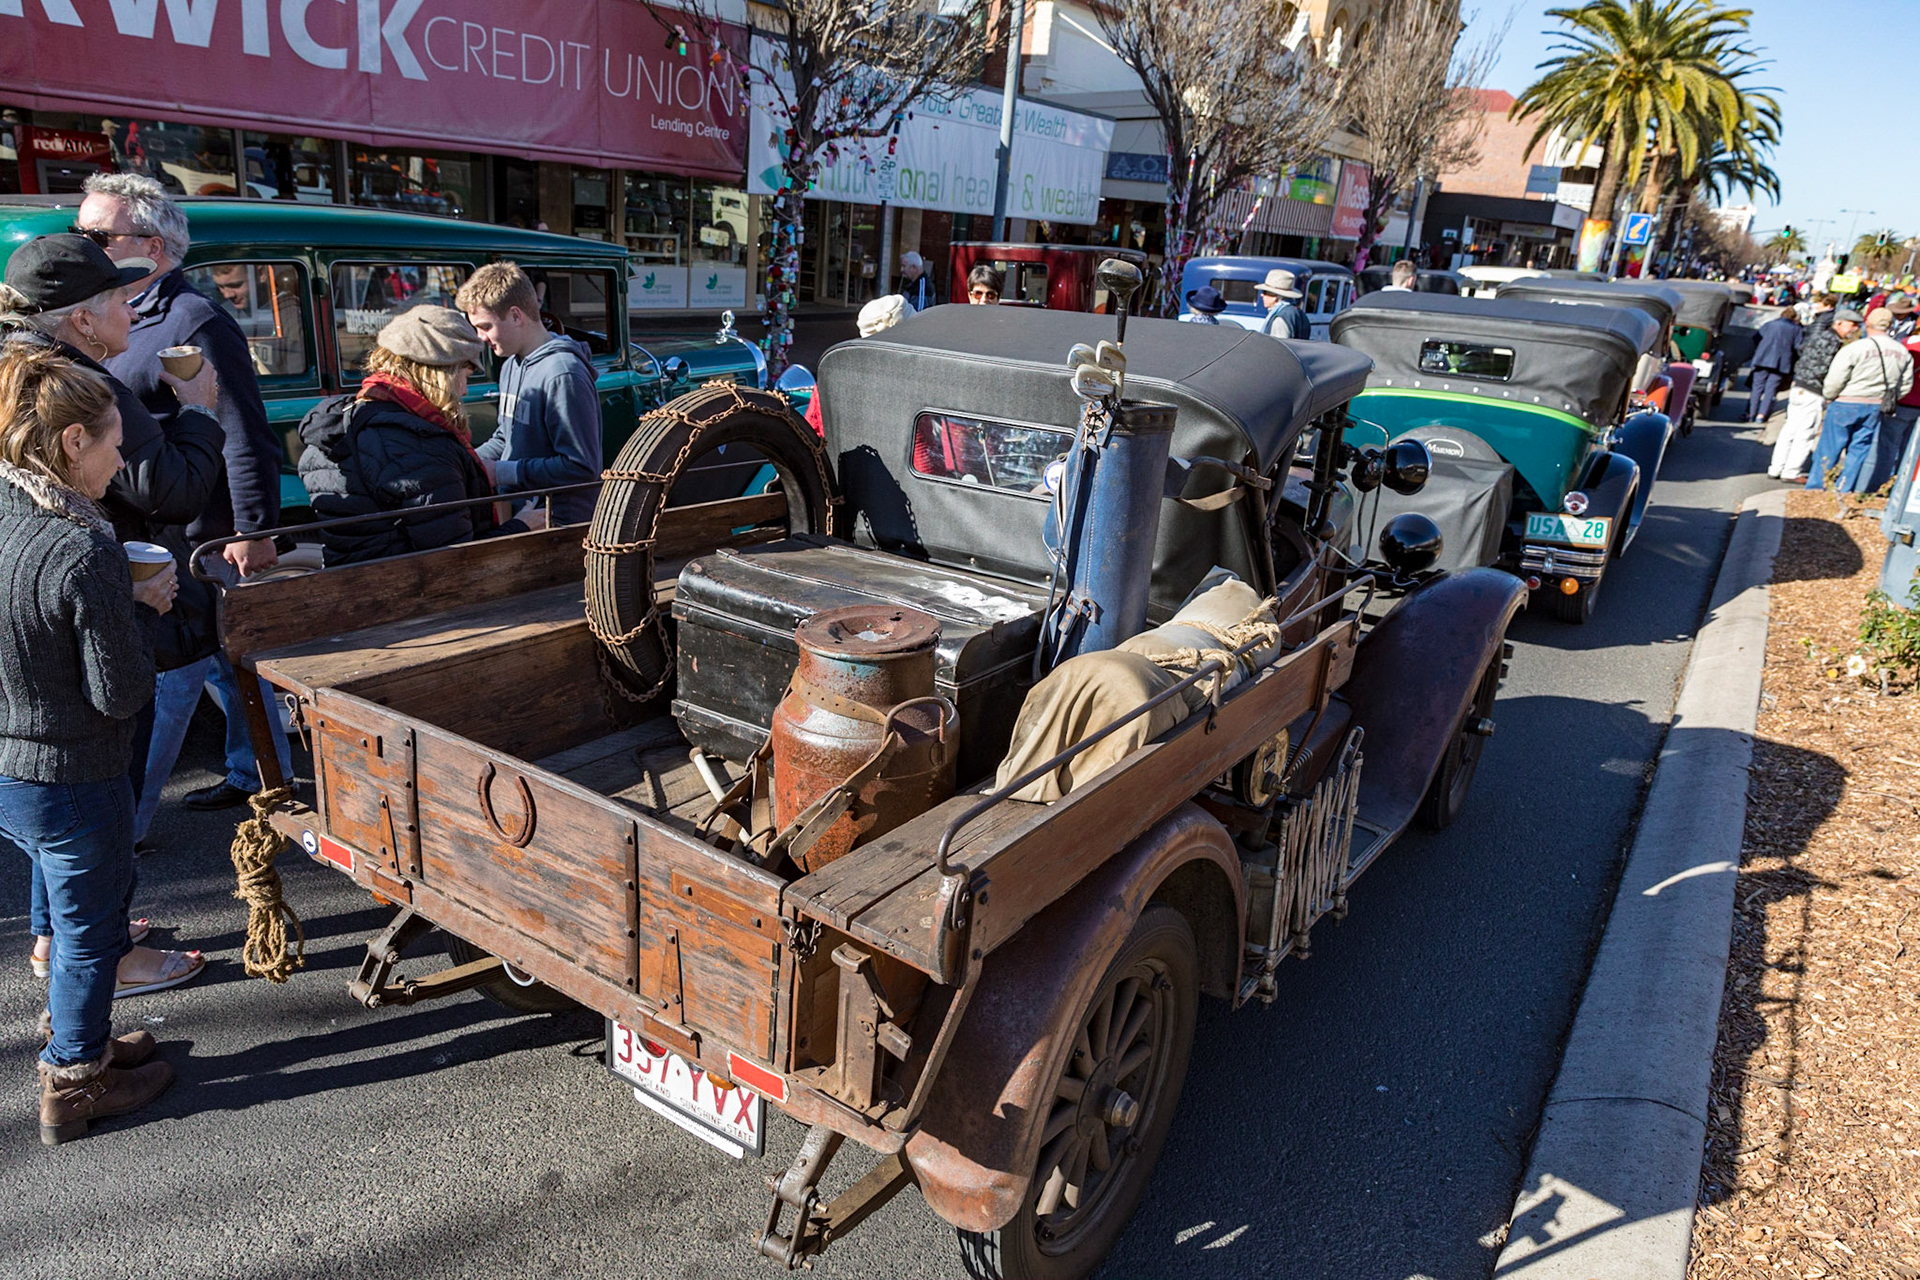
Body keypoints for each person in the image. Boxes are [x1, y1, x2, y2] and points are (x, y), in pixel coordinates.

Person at [2, 234, 221, 982]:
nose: (134, 310)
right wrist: (198, 413)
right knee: (100, 787)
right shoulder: (72, 383)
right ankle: (105, 962)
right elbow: (168, 489)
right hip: (94, 595)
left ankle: (57, 935)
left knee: (61, 807)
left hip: (35, 608)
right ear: (85, 320)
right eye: (122, 299)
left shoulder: (17, 363)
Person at [0, 345, 190, 1143]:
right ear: (73, 442)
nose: (123, 459)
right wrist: (142, 609)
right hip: (74, 770)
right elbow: (120, 693)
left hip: (9, 767)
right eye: (115, 442)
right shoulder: (83, 551)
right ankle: (74, 1081)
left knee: (63, 907)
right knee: (89, 933)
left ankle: (90, 1043)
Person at [77, 173, 293, 816]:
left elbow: (241, 429)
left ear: (154, 244)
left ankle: (128, 825)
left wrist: (253, 529)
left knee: (172, 683)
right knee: (228, 668)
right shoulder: (117, 314)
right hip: (153, 528)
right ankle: (262, 773)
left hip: (195, 535)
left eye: (98, 235)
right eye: (80, 233)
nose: (85, 245)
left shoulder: (191, 318)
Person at [296, 307, 496, 566]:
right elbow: (454, 558)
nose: (466, 391)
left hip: (350, 580)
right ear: (442, 375)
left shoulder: (348, 419)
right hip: (409, 590)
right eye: (465, 376)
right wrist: (524, 526)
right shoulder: (421, 446)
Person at [456, 262, 602, 527]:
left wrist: (501, 472)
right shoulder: (511, 364)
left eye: (486, 326)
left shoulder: (563, 374)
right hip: (526, 515)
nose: (481, 338)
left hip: (559, 522)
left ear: (515, 315)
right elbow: (506, 436)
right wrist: (468, 461)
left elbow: (582, 467)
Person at [1809, 307, 1912, 492]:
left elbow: (1835, 378)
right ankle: (1844, 488)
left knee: (1829, 448)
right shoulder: (1902, 352)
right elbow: (1905, 384)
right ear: (1890, 326)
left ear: (1867, 323)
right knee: (1859, 450)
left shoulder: (1856, 348)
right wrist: (1891, 398)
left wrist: (1830, 396)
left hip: (1846, 401)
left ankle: (1817, 488)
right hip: (1876, 404)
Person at [807, 295, 907, 439]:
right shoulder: (914, 379)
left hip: (838, 459)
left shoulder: (833, 376)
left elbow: (811, 430)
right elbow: (923, 454)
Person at [1775, 294, 1843, 483]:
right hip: (1813, 388)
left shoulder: (1816, 329)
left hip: (1800, 383)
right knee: (1805, 432)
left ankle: (1777, 466)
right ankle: (1791, 470)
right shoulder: (1830, 337)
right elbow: (1824, 367)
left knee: (1789, 429)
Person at [209, 263, 306, 377]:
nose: (227, 295)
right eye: (220, 287)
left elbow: (297, 377)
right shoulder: (223, 313)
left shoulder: (290, 316)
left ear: (261, 274)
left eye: (235, 285)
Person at [1749, 305, 1801, 430]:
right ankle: (1761, 416)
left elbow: (1756, 337)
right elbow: (1798, 346)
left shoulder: (1769, 324)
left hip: (1762, 358)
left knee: (1757, 387)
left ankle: (1751, 413)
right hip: (1781, 362)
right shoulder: (1796, 329)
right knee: (1770, 389)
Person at [1256, 269, 1310, 340]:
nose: (1262, 295)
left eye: (1265, 292)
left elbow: (1278, 347)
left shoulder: (1280, 319)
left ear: (1275, 297)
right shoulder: (1298, 312)